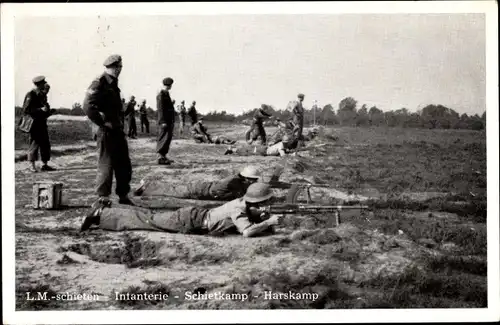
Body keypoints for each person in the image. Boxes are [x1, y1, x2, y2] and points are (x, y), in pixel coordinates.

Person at [80, 182, 284, 238]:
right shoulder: (240, 210)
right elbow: (247, 232)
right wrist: (268, 222)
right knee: (148, 220)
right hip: (189, 220)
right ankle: (101, 214)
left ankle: (109, 207)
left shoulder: (242, 202)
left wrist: (259, 216)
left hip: (193, 216)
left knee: (149, 217)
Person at [83, 54, 134, 206]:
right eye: (117, 67)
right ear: (111, 67)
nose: (119, 70)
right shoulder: (100, 83)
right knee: (106, 164)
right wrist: (101, 123)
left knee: (124, 164)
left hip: (117, 130)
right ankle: (103, 198)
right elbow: (87, 106)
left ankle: (123, 195)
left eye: (120, 67)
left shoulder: (113, 84)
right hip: (106, 131)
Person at [133, 165, 261, 200]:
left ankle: (149, 184)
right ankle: (146, 187)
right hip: (200, 190)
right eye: (253, 179)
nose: (253, 182)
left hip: (203, 187)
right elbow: (218, 194)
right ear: (247, 178)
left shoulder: (239, 181)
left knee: (174, 188)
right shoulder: (232, 182)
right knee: (173, 192)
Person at [22, 76, 56, 172]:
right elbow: (26, 109)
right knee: (34, 144)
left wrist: (49, 111)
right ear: (39, 84)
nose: (45, 85)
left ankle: (44, 165)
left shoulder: (42, 95)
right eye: (43, 83)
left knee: (45, 144)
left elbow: (44, 108)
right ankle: (31, 166)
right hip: (34, 124)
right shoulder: (31, 94)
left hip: (42, 122)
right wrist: (40, 109)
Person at [156, 77, 176, 165]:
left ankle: (163, 156)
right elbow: (160, 109)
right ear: (169, 85)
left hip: (169, 120)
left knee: (167, 138)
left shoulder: (166, 93)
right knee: (164, 137)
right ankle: (160, 157)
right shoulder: (161, 94)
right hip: (165, 121)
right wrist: (162, 121)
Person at [225, 134, 299, 157]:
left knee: (248, 150)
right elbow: (283, 155)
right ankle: (232, 149)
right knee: (246, 152)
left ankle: (232, 149)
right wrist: (291, 155)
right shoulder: (282, 146)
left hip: (264, 149)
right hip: (263, 151)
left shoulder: (282, 144)